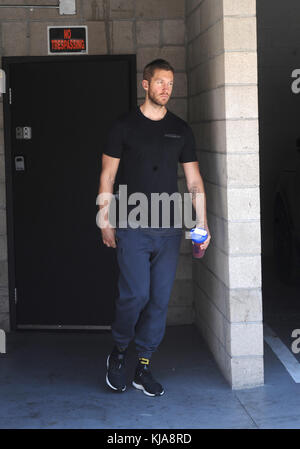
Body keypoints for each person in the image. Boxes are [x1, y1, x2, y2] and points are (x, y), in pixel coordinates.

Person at [98, 59, 211, 397]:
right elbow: (107, 176)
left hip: (168, 228)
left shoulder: (181, 128)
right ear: (145, 85)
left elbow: (193, 182)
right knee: (136, 295)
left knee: (160, 300)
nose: (166, 89)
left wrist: (201, 223)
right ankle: (119, 352)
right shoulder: (123, 126)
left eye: (171, 84)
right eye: (160, 82)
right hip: (132, 225)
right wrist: (104, 219)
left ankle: (142, 366)